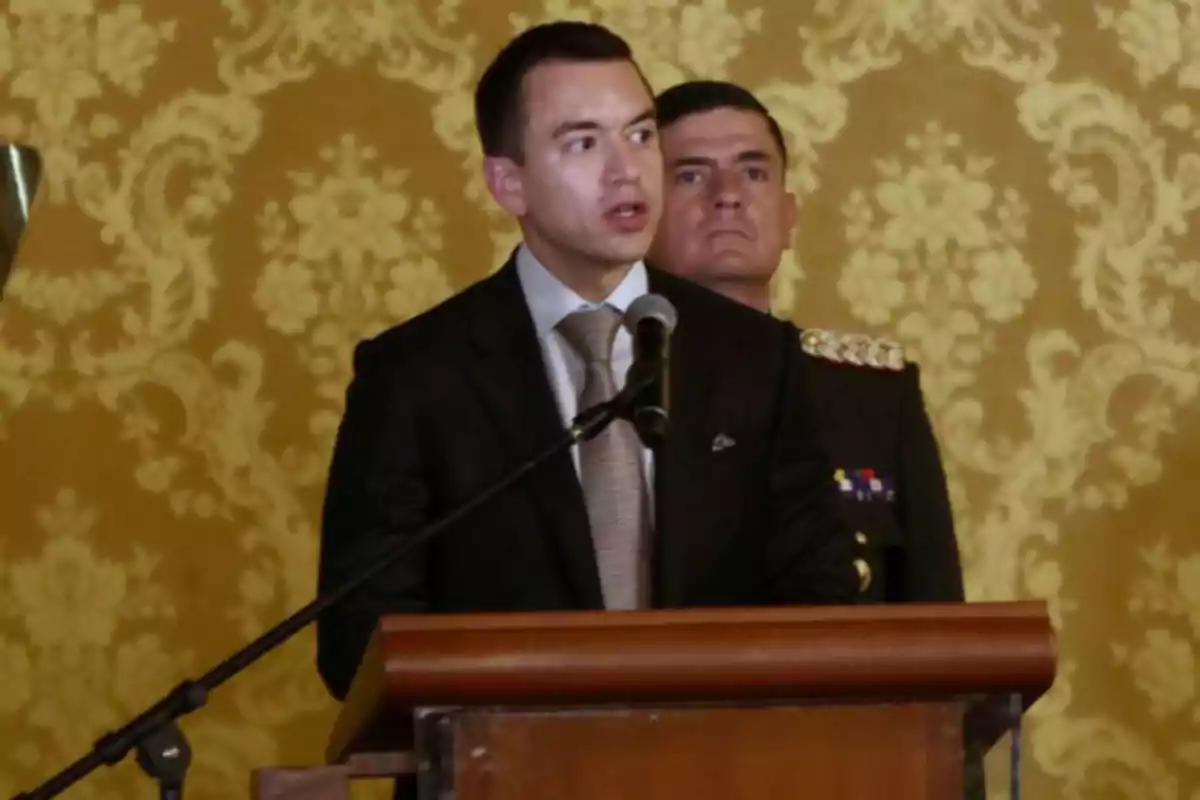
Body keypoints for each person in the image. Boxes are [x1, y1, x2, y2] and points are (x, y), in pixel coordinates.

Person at [315, 24, 859, 705]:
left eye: (639, 135)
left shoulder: (755, 355)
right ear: (508, 184)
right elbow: (357, 644)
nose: (627, 171)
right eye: (583, 143)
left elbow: (820, 600)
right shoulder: (416, 375)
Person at [647, 80, 965, 606]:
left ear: (788, 216)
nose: (727, 195)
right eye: (690, 175)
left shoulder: (872, 396)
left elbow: (935, 616)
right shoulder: (609, 389)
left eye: (753, 172)